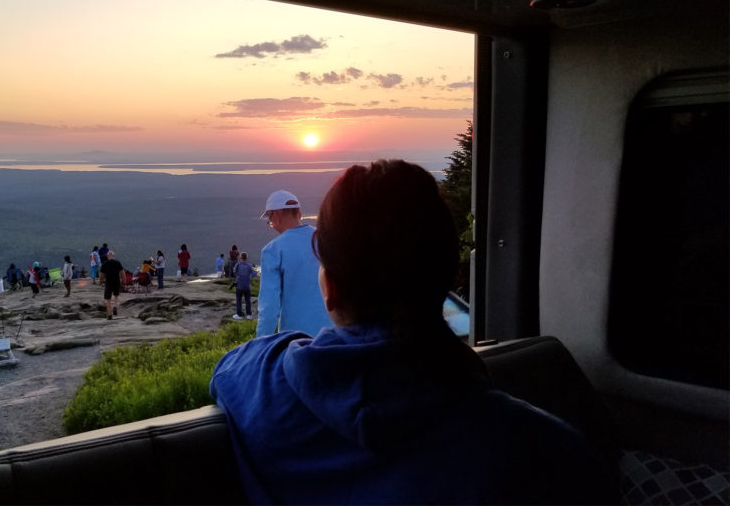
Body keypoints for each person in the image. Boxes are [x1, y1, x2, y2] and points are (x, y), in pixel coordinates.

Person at [210, 160, 616, 504]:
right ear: (451, 277)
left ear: (330, 288)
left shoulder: (263, 386)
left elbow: (232, 367)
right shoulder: (548, 453)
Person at [256, 189, 329, 337]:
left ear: (276, 215)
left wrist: (260, 346)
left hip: (296, 341)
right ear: (299, 214)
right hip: (333, 337)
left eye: (270, 220)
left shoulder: (273, 251)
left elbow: (269, 308)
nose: (271, 224)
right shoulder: (327, 239)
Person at [231, 252, 257, 321]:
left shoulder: (238, 264)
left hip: (239, 285)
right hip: (247, 286)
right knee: (248, 300)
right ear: (246, 258)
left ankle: (239, 315)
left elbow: (234, 271)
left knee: (239, 300)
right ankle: (249, 315)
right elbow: (254, 273)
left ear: (240, 257)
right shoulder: (249, 265)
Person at [100, 250, 124, 319]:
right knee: (116, 295)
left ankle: (109, 314)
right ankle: (115, 306)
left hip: (108, 282)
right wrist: (124, 281)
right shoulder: (117, 262)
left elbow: (101, 275)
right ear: (113, 256)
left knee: (108, 299)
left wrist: (101, 282)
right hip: (117, 281)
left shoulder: (104, 263)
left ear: (107, 256)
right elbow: (122, 272)